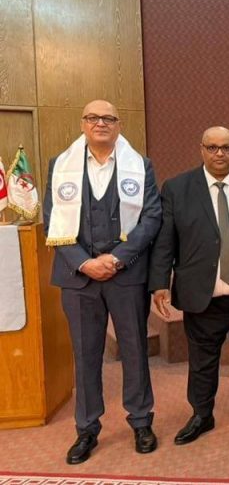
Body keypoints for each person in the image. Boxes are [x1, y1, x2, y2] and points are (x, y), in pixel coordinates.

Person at [43, 100, 162, 464]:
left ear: (118, 124)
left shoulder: (140, 165)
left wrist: (117, 258)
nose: (100, 123)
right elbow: (52, 219)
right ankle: (86, 428)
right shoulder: (60, 166)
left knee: (134, 350)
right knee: (85, 355)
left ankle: (141, 421)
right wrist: (84, 263)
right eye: (93, 118)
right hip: (78, 279)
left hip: (126, 276)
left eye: (108, 118)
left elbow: (151, 217)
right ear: (83, 124)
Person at [150, 127, 229, 444]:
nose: (219, 153)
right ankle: (201, 414)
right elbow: (165, 241)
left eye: (226, 148)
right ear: (201, 149)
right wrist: (159, 283)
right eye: (212, 147)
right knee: (202, 361)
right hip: (203, 295)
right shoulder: (177, 188)